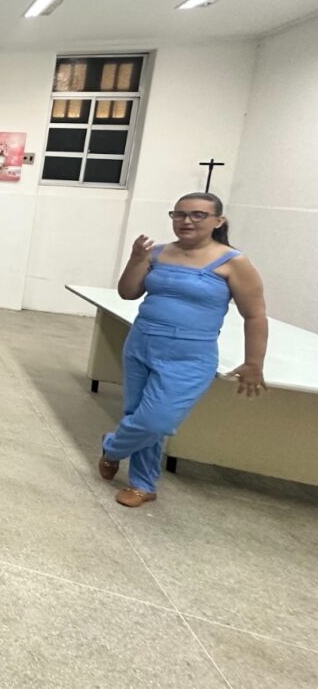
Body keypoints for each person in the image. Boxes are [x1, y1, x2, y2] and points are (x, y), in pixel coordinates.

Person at [99, 192, 268, 508]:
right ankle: (142, 484)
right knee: (138, 414)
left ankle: (112, 447)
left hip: (190, 355)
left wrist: (253, 362)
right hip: (142, 342)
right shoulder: (158, 253)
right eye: (179, 214)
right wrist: (136, 258)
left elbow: (255, 314)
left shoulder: (234, 262)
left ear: (218, 221)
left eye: (198, 215)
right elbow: (127, 293)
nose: (186, 221)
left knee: (157, 421)